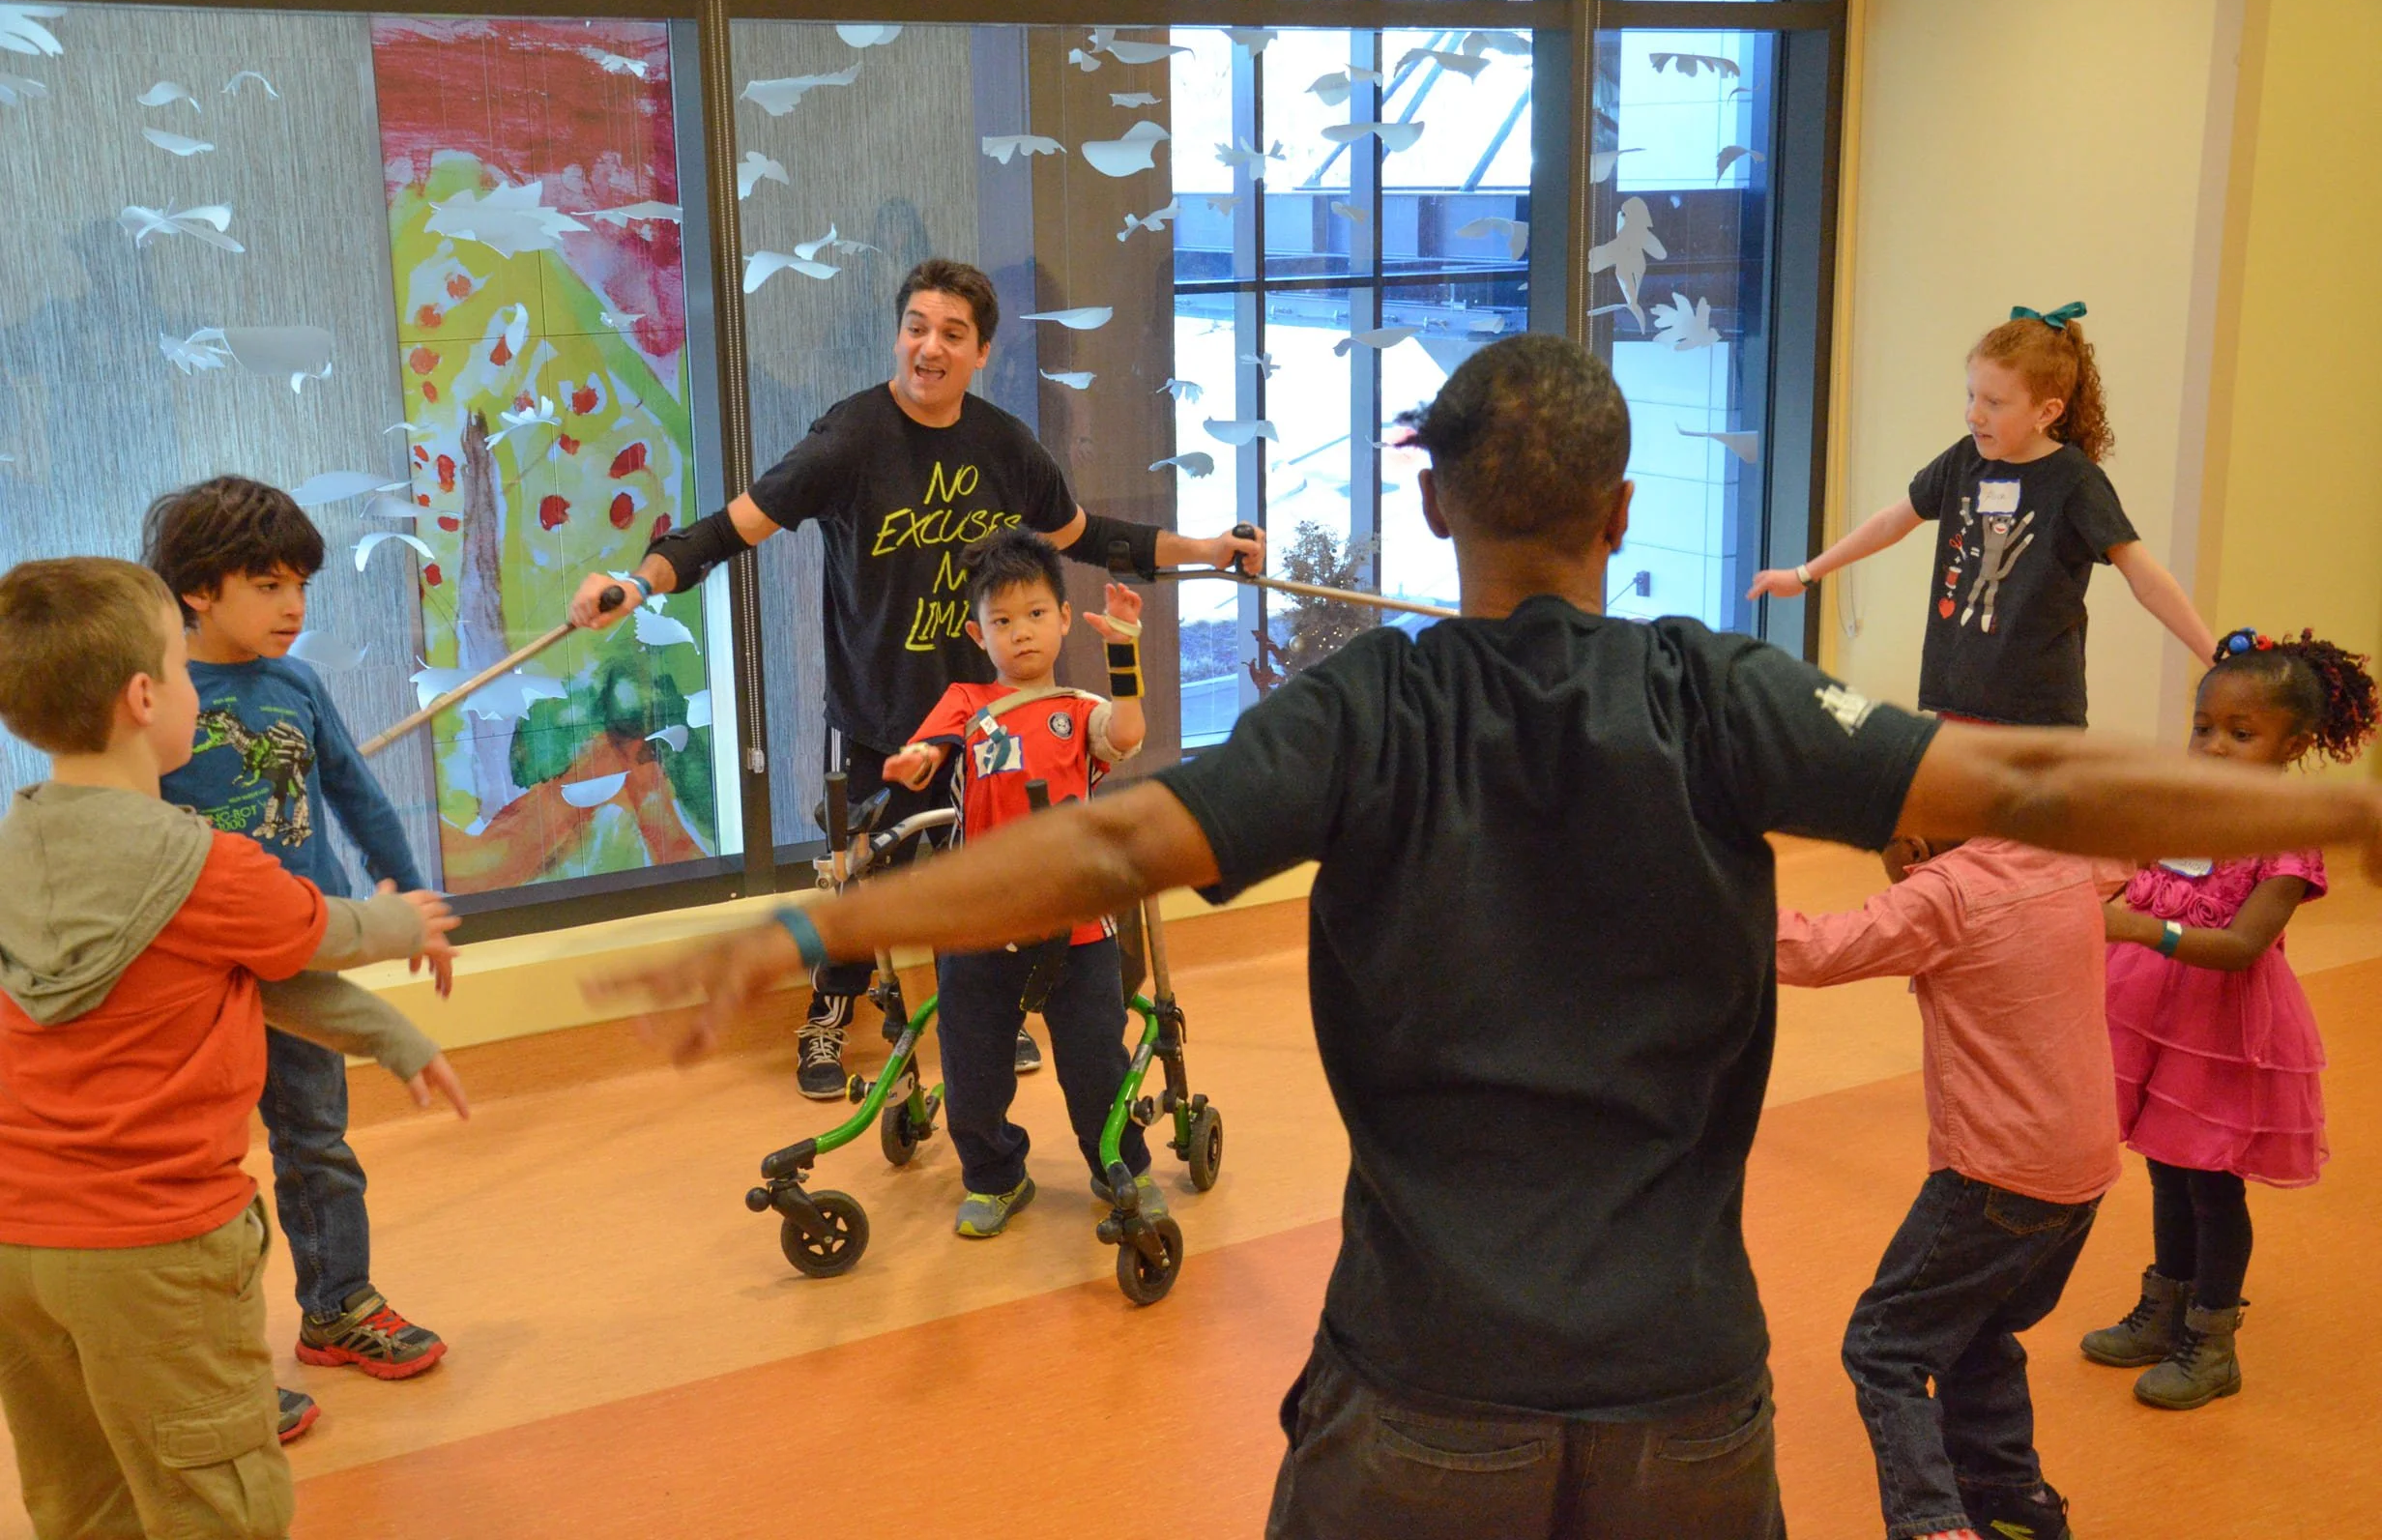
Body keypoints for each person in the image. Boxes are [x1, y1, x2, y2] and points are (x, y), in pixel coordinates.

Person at [590, 335, 2382, 1540]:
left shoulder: (1366, 706)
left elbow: (1121, 833)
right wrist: (2342, 809)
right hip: (1686, 1402)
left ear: (1434, 507)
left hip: (1420, 1397)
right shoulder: (1718, 693)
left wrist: (823, 919)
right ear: (1616, 516)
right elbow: (2040, 788)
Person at [566, 257, 1264, 1100]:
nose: (929, 348)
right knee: (865, 873)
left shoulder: (1004, 445)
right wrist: (638, 583)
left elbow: (1086, 536)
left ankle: (985, 1021)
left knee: (986, 879)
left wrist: (1207, 555)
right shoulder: (850, 440)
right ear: (899, 336)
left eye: (952, 335)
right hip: (879, 711)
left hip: (985, 718)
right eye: (916, 328)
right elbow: (729, 529)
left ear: (983, 353)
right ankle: (830, 1018)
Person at [0, 557, 465, 1540]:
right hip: (153, 1251)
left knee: (82, 1501)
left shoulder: (14, 852)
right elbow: (319, 933)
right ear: (142, 699)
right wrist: (407, 923)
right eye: (179, 668)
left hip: (15, 1246)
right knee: (217, 1505)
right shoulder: (200, 863)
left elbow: (264, 977)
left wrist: (390, 1038)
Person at [145, 477, 463, 1440]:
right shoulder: (151, 697)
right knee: (196, 1172)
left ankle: (338, 1307)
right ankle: (211, 1370)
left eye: (301, 586)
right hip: (189, 980)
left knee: (317, 1137)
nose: (295, 607)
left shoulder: (295, 684)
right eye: (270, 585)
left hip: (301, 953)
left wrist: (413, 904)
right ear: (200, 589)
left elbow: (359, 797)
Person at [1777, 834, 2132, 1540]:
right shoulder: (2063, 857)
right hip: (2084, 1170)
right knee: (1979, 1324)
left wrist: (1711, 901)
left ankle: (1933, 1525)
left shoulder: (1946, 892)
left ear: (1912, 845)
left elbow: (1813, 950)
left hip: (1995, 1176)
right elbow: (2128, 855)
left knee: (1884, 1348)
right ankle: (2010, 1500)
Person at [2079, 627, 2378, 1412]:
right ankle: (2165, 1307)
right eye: (2203, 727)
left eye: (2240, 734)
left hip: (2220, 1026)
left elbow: (2245, 945)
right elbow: (2142, 877)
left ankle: (2212, 1344)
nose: (2212, 746)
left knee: (2211, 1185)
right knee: (2164, 1169)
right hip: (2151, 1010)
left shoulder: (2285, 831)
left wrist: (2149, 931)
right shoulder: (2187, 806)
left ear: (2296, 744)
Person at [877, 528, 1154, 1236]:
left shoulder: (1081, 705)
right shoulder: (967, 700)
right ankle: (997, 1177)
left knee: (1096, 1065)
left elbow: (1124, 733)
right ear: (978, 632)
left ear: (1064, 618)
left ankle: (1119, 1167)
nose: (1020, 633)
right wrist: (913, 763)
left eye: (1035, 614)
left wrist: (1123, 652)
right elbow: (928, 750)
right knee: (970, 1072)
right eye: (1001, 621)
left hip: (1080, 926)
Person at [1749, 303, 2215, 725]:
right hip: (1957, 697)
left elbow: (2146, 578)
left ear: (2047, 411)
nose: (1975, 415)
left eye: (1994, 403)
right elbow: (1893, 522)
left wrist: (2212, 654)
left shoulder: (2076, 482)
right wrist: (1805, 574)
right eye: (1972, 396)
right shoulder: (1961, 463)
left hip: (2035, 716)